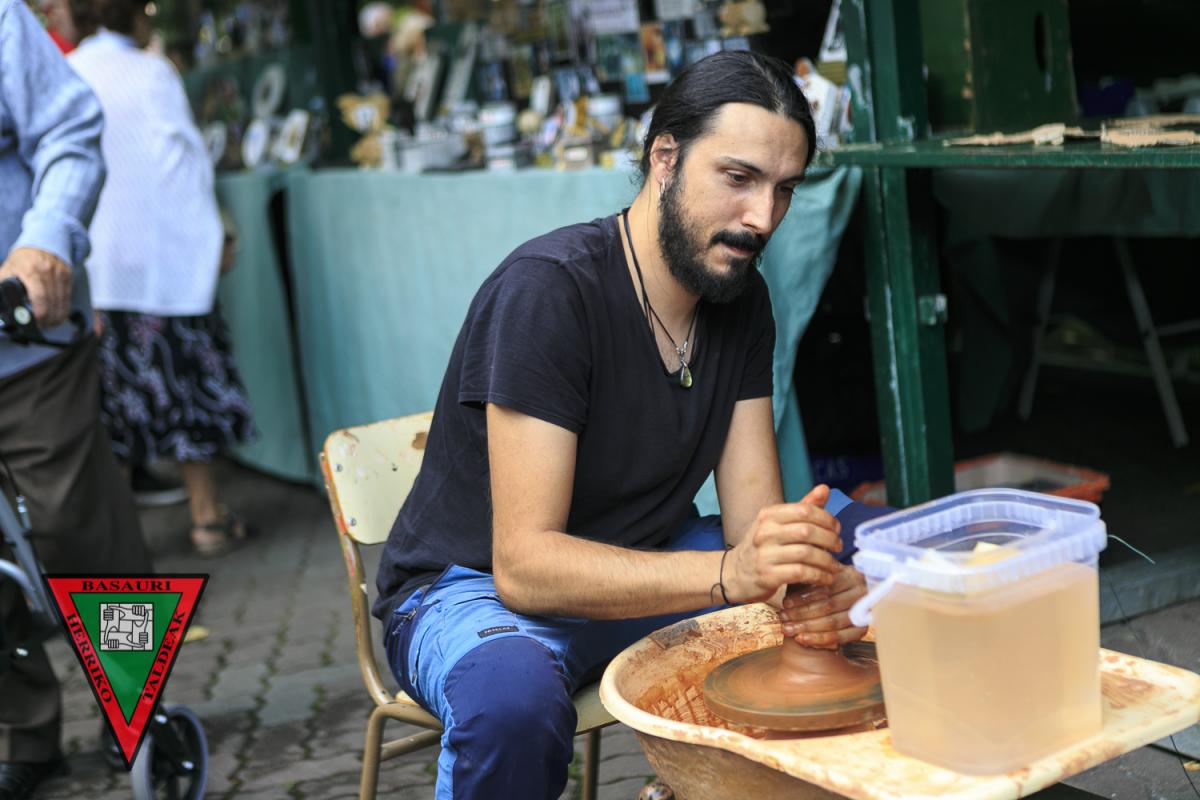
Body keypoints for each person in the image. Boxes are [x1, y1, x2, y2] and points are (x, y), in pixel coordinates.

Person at [372, 50, 891, 800]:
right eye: (738, 178)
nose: (761, 218)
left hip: (646, 561)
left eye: (784, 189)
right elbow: (525, 567)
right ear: (665, 159)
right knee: (512, 704)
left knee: (882, 547)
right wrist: (733, 573)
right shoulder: (549, 291)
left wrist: (809, 564)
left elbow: (752, 528)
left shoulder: (740, 298)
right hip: (476, 593)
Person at [0, 1, 153, 796]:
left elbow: (67, 129)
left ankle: (137, 705)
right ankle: (24, 733)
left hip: (24, 333)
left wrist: (46, 236)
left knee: (76, 526)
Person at [67, 0, 256, 557]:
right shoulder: (151, 72)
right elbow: (184, 163)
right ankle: (206, 518)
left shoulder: (68, 71)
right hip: (160, 264)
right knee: (185, 387)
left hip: (99, 268)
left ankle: (123, 541)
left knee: (113, 405)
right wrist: (213, 233)